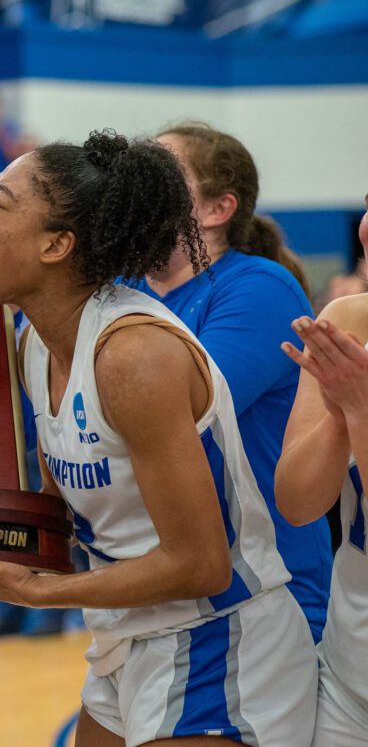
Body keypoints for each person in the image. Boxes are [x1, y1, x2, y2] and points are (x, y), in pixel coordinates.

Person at [0, 131, 317, 746]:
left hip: (218, 639)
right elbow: (56, 517)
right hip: (125, 632)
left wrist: (44, 593)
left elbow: (201, 564)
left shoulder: (134, 355)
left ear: (57, 244)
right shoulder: (34, 343)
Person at [126, 122, 331, 641]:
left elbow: (177, 416)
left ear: (218, 211)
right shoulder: (123, 291)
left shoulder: (259, 288)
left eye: (162, 176)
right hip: (158, 590)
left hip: (263, 596)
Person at [276, 195, 368, 746]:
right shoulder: (349, 319)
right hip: (348, 675)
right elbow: (297, 502)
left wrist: (358, 408)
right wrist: (338, 416)